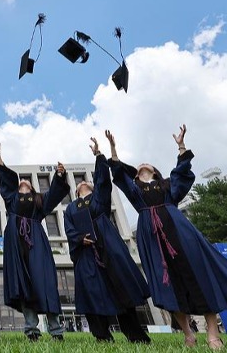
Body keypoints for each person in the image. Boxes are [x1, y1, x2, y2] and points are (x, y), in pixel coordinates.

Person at [106, 126, 227, 350]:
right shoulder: (135, 191)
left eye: (147, 164)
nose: (142, 164)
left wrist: (181, 146)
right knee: (167, 286)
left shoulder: (167, 185)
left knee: (200, 277)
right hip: (152, 239)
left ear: (155, 171)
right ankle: (188, 333)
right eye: (139, 166)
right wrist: (113, 149)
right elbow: (119, 175)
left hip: (180, 233)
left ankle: (212, 332)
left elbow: (182, 172)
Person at [64, 136, 151, 343]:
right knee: (91, 292)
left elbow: (103, 179)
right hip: (85, 254)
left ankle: (136, 336)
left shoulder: (99, 198)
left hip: (108, 249)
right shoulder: (70, 208)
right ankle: (102, 336)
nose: (82, 182)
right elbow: (68, 229)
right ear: (76, 192)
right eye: (80, 183)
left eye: (86, 181)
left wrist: (99, 155)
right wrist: (79, 238)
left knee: (119, 289)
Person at [0, 139, 69, 341]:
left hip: (36, 243)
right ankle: (31, 331)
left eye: (26, 182)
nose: (23, 182)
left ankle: (56, 331)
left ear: (33, 188)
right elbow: (6, 181)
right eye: (21, 182)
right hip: (16, 245)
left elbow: (54, 193)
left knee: (44, 282)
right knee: (23, 284)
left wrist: (59, 175)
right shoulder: (11, 199)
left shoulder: (40, 201)